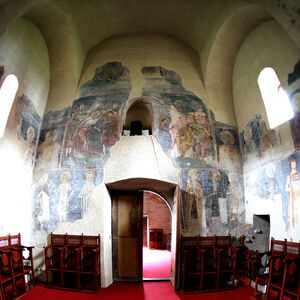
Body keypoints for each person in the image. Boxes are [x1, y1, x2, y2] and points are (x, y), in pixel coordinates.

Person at [286, 158, 300, 229]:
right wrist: (291, 189)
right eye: (292, 164)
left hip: (298, 196)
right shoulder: (289, 175)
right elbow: (286, 188)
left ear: (296, 164)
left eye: (294, 163)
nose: (293, 165)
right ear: (290, 165)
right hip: (292, 197)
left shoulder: (298, 174)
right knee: (293, 213)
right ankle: (294, 227)